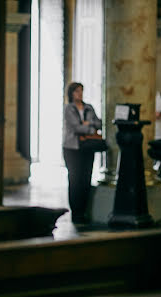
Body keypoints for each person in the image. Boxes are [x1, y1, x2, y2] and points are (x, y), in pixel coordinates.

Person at [62, 82, 102, 224]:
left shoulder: (89, 107)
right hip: (72, 149)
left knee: (86, 179)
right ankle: (76, 212)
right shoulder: (68, 108)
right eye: (77, 91)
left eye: (81, 90)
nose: (80, 93)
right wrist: (89, 127)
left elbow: (99, 123)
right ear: (71, 93)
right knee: (75, 180)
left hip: (87, 147)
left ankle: (83, 212)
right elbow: (76, 127)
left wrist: (87, 125)